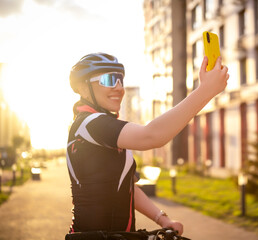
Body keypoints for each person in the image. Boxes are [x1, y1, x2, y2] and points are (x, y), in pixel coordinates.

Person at [66, 52, 229, 235]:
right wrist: (206, 90)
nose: (119, 88)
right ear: (83, 87)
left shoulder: (103, 129)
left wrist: (163, 219)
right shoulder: (88, 124)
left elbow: (128, 189)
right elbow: (151, 136)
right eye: (109, 79)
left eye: (120, 80)